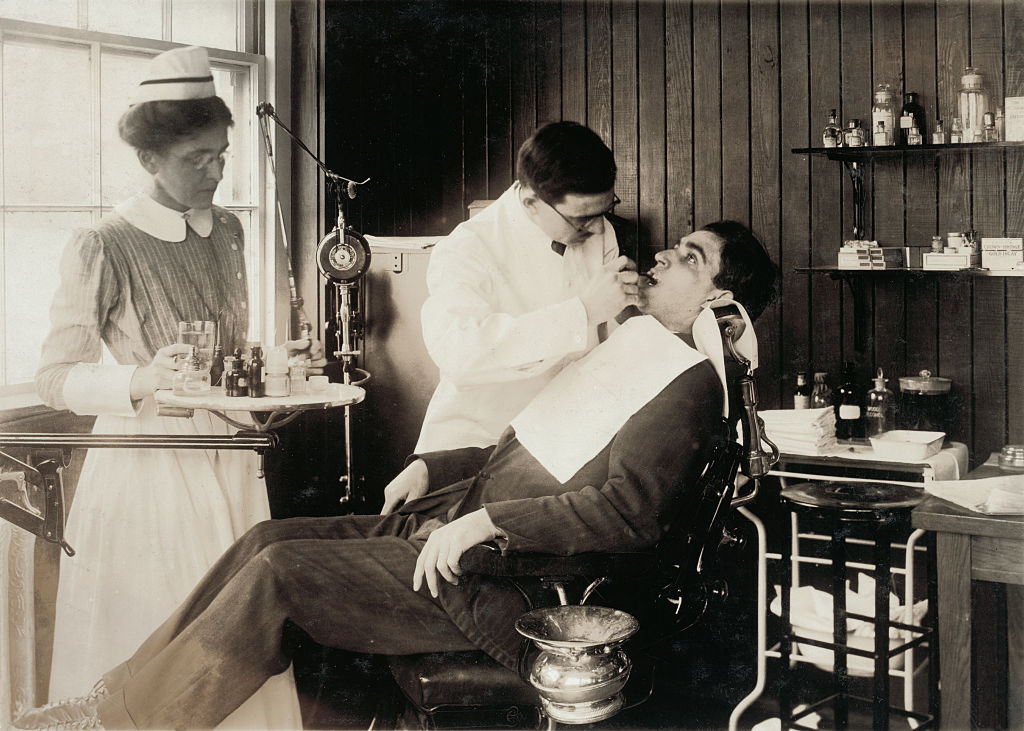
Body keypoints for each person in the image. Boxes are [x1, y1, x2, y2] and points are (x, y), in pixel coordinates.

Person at [15, 220, 777, 731]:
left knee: (279, 574)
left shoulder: (687, 384)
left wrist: (489, 522)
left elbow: (625, 513)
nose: (664, 256)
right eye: (676, 245)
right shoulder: (634, 346)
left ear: (718, 296)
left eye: (690, 258)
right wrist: (431, 465)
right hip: (454, 526)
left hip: (505, 580)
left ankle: (114, 724)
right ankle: (110, 697)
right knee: (264, 538)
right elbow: (529, 447)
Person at [33, 46, 320, 729]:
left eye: (221, 155)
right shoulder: (103, 243)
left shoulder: (228, 230)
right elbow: (54, 377)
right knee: (162, 627)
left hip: (228, 454)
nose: (216, 173)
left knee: (238, 631)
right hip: (149, 464)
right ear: (149, 159)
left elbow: (224, 354)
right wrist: (141, 378)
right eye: (198, 159)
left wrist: (275, 362)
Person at [382, 120, 640, 512]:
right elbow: (461, 353)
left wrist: (626, 306)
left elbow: (605, 334)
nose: (594, 229)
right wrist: (583, 311)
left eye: (603, 212)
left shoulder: (597, 228)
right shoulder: (468, 247)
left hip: (555, 443)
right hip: (475, 444)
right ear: (531, 201)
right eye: (581, 219)